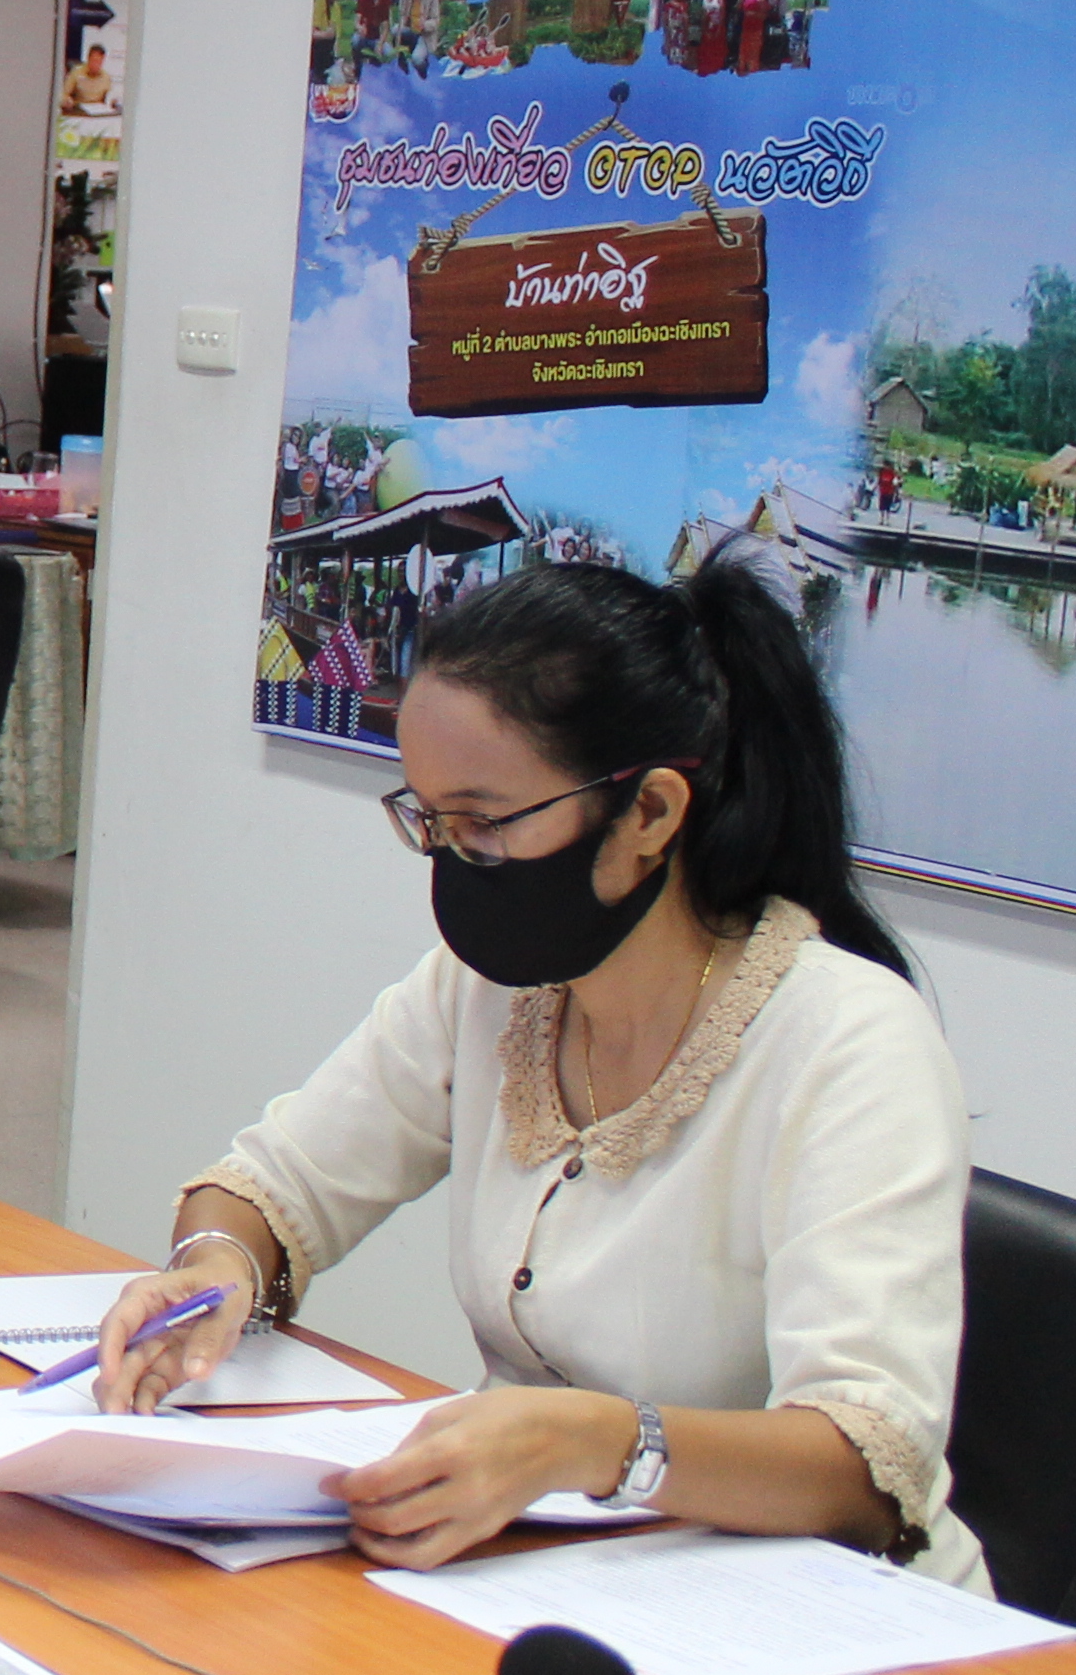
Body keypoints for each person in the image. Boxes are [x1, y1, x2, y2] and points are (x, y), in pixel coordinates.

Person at [91, 559, 980, 1585]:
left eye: (485, 821)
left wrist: (589, 1443)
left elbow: (863, 1467)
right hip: (553, 1581)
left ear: (650, 812)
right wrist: (215, 1266)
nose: (451, 859)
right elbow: (272, 1185)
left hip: (827, 1635)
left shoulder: (848, 1039)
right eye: (427, 819)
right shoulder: (496, 992)